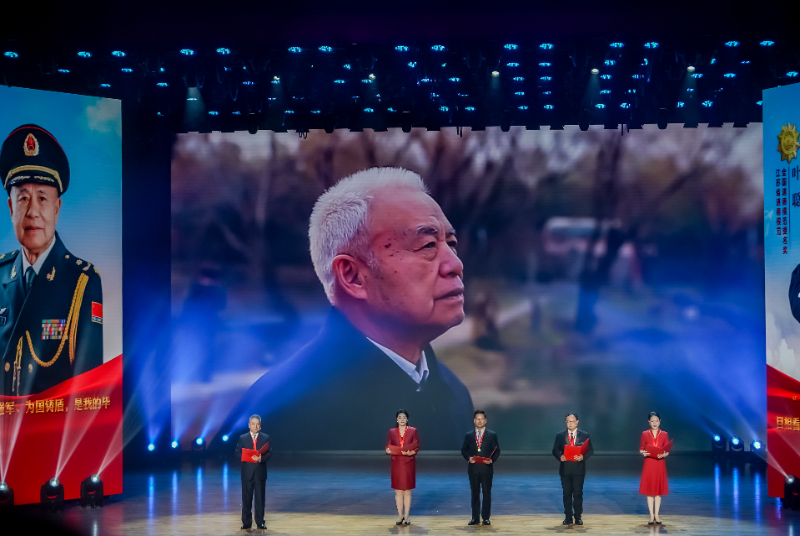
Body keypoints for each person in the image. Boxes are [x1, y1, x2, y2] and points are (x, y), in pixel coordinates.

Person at [218, 168, 473, 450]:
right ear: (352, 276)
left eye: (451, 244)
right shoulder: (283, 418)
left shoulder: (452, 391)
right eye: (427, 245)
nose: (455, 265)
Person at [0, 124, 102, 396]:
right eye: (23, 198)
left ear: (57, 207)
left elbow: (89, 390)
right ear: (10, 207)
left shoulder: (81, 282)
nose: (32, 211)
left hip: (53, 421)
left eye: (42, 198)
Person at [551, 413, 593, 526]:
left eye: (572, 421)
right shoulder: (560, 435)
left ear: (577, 422)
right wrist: (560, 456)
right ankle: (568, 517)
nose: (570, 424)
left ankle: (578, 517)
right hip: (565, 469)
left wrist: (583, 457)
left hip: (579, 469)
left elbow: (590, 450)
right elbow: (555, 450)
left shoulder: (584, 435)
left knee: (578, 494)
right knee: (567, 494)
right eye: (568, 421)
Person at [461, 410, 500, 526]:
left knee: (487, 493)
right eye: (477, 418)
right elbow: (464, 450)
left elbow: (497, 450)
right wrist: (469, 458)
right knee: (475, 494)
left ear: (485, 420)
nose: (479, 421)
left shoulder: (492, 435)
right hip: (473, 468)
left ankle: (486, 518)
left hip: (486, 469)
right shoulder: (469, 435)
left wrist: (492, 460)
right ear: (474, 421)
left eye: (482, 418)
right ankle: (475, 518)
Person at [235, 414, 272, 530]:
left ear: (260, 426)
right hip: (247, 473)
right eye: (253, 424)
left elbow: (269, 453)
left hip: (260, 472)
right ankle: (246, 522)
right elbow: (237, 453)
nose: (255, 426)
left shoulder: (265, 437)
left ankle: (260, 522)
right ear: (249, 425)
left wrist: (261, 458)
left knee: (260, 499)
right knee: (246, 499)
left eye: (257, 424)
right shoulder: (243, 438)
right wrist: (246, 457)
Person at [385, 409, 419, 525]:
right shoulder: (392, 431)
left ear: (407, 419)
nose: (402, 419)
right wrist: (388, 450)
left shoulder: (413, 431)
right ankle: (400, 516)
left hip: (408, 463)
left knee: (407, 491)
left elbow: (416, 446)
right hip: (397, 463)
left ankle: (407, 516)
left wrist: (411, 452)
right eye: (400, 417)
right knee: (398, 491)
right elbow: (388, 445)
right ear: (397, 420)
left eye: (404, 417)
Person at [639, 411, 669, 525]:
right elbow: (641, 448)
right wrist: (643, 453)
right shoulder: (645, 434)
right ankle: (651, 515)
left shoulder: (664, 434)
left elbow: (666, 449)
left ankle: (657, 514)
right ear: (649, 422)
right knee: (650, 490)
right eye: (652, 421)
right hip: (649, 463)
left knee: (658, 491)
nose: (654, 423)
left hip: (660, 463)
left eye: (656, 421)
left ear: (660, 421)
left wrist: (665, 454)